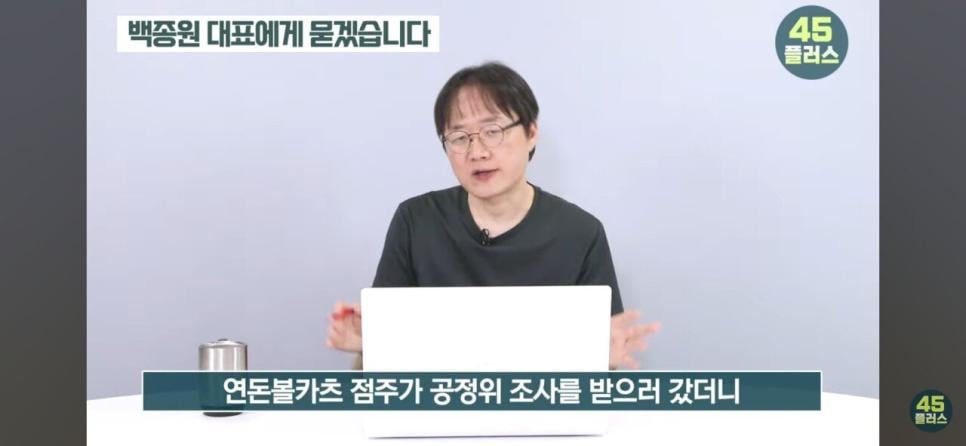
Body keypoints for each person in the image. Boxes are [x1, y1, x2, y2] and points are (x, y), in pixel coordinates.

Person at [325, 62, 661, 370]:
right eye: (459, 138)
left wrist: (600, 358)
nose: (478, 152)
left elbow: (602, 361)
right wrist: (367, 345)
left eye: (493, 131)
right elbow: (385, 356)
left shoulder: (580, 233)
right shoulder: (416, 220)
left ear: (531, 133)